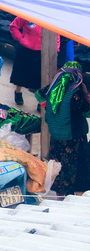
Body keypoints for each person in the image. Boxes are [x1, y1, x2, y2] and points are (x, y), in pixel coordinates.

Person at [43, 62, 90, 196]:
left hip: (56, 137)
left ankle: (60, 198)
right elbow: (87, 110)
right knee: (77, 170)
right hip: (73, 139)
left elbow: (40, 96)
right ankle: (77, 199)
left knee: (59, 168)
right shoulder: (75, 93)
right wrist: (85, 92)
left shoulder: (53, 89)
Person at [9, 17, 50, 107]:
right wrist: (20, 38)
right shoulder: (28, 14)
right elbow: (13, 26)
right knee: (21, 74)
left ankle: (40, 101)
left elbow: (56, 37)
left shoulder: (51, 18)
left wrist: (54, 50)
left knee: (40, 78)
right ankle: (18, 92)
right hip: (25, 49)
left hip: (41, 52)